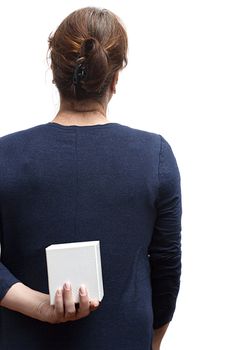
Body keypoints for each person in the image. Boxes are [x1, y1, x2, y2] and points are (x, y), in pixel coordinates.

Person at [0, 7, 182, 350]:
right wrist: (152, 342)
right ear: (114, 79)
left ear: (55, 73)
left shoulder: (5, 155)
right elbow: (167, 269)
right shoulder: (154, 155)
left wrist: (40, 306)